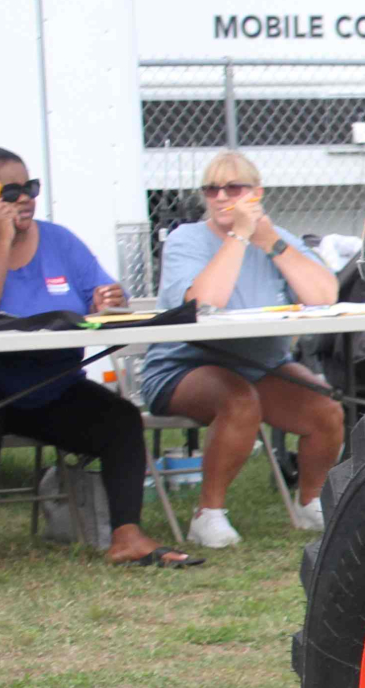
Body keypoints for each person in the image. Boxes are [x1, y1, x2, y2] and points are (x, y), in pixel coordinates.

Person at [0, 148, 199, 571]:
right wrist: (1, 241)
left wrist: (108, 299)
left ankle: (126, 536)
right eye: (11, 191)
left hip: (51, 386)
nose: (25, 200)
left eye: (30, 188)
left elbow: (109, 298)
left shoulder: (59, 241)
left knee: (122, 419)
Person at [137, 151, 344, 549]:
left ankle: (310, 501)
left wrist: (271, 242)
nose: (221, 196)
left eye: (233, 187)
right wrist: (238, 237)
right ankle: (208, 514)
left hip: (261, 364)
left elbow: (324, 295)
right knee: (238, 400)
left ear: (256, 193)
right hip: (184, 366)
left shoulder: (277, 237)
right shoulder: (186, 239)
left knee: (326, 408)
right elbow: (203, 304)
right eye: (211, 189)